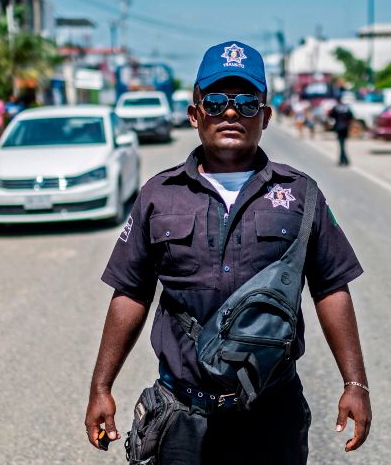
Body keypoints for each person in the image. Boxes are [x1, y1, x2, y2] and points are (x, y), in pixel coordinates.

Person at [85, 41, 371, 464]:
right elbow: (131, 292)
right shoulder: (158, 195)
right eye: (216, 101)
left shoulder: (299, 193)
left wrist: (355, 383)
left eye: (247, 103)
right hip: (181, 414)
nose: (231, 112)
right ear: (195, 113)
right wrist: (101, 386)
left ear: (266, 116)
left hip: (272, 413)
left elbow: (330, 287)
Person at [329, 98, 354, 166]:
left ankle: (342, 160)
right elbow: (351, 117)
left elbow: (330, 115)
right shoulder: (347, 108)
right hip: (345, 128)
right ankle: (344, 159)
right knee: (343, 145)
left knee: (341, 145)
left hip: (339, 128)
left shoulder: (336, 108)